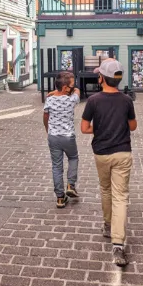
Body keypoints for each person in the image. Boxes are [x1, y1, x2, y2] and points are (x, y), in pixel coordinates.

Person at [80, 58, 137, 267]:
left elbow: (85, 129)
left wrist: (101, 127)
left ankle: (107, 224)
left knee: (105, 189)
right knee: (121, 196)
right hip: (123, 153)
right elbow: (133, 127)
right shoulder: (126, 100)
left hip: (102, 154)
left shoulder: (93, 101)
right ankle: (118, 245)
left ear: (101, 77)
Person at [43, 71, 81, 208]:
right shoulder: (72, 100)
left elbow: (45, 116)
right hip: (68, 137)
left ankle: (60, 197)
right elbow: (77, 90)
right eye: (71, 85)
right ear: (65, 88)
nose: (74, 87)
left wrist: (48, 130)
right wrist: (71, 89)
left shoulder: (50, 99)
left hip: (53, 137)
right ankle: (71, 184)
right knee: (73, 158)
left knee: (56, 166)